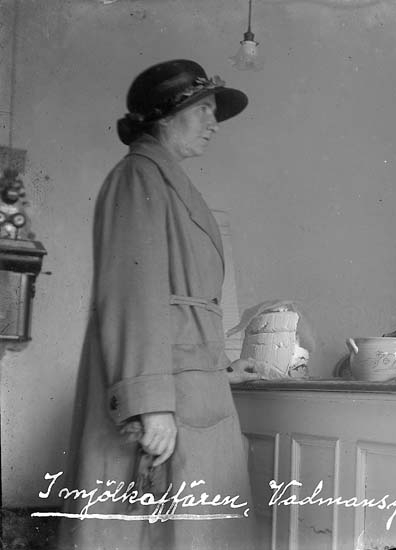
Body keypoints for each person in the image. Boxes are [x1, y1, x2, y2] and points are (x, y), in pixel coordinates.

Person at [59, 59, 260, 549]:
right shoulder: (139, 177)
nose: (214, 123)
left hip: (189, 393)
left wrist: (220, 367)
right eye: (204, 109)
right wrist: (149, 406)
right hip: (166, 400)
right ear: (166, 116)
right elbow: (132, 296)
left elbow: (182, 309)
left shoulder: (165, 180)